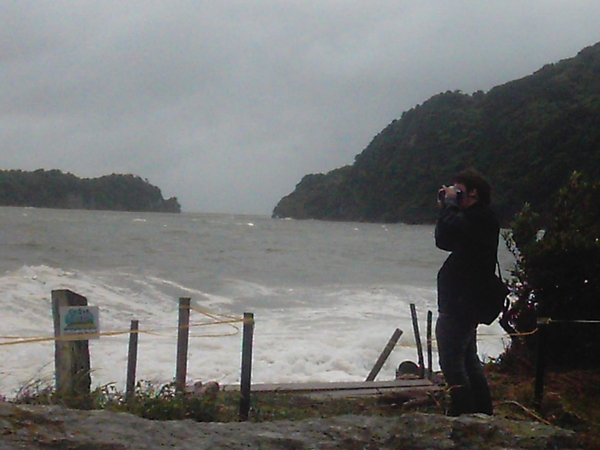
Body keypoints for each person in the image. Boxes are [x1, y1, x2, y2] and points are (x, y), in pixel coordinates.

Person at [434, 168, 499, 416]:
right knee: (468, 359)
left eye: (460, 191)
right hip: (459, 298)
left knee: (451, 362)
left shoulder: (483, 217)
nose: (456, 196)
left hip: (464, 300)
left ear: (474, 192)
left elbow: (460, 226)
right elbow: (443, 240)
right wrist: (447, 207)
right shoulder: (465, 218)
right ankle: (481, 414)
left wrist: (450, 205)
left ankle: (463, 414)